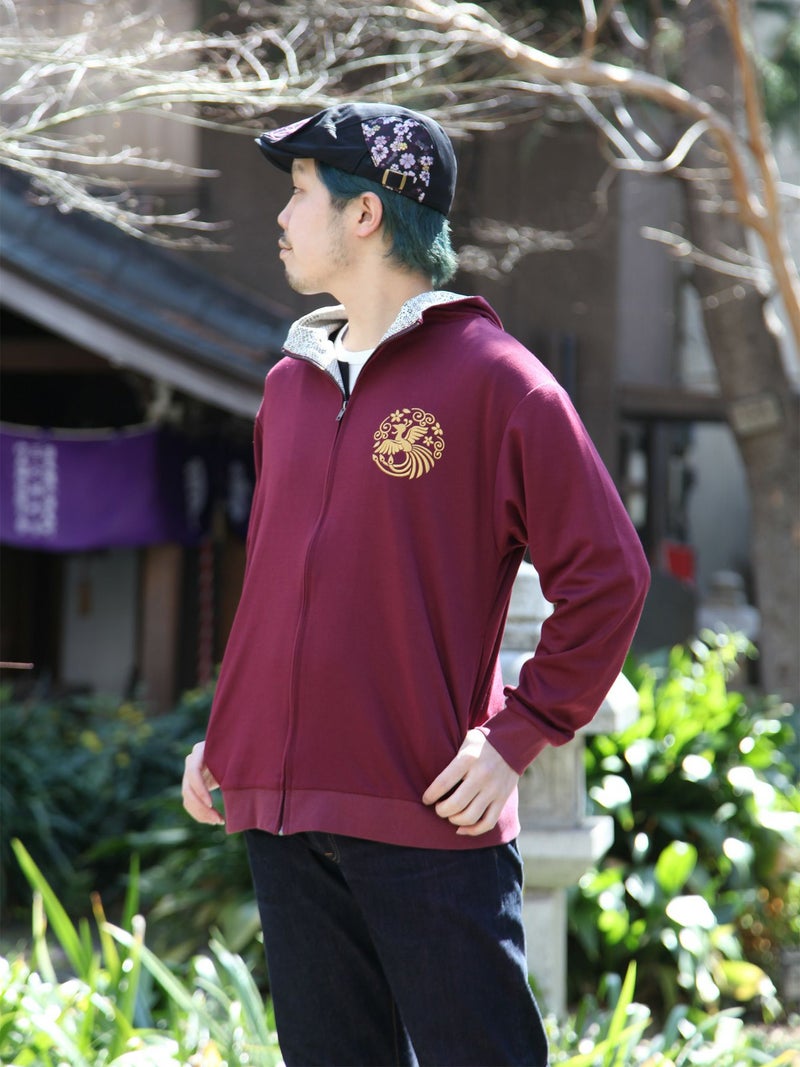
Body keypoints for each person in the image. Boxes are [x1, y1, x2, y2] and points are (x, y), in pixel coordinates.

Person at [182, 102, 650, 1067]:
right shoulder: (287, 388)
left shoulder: (501, 382)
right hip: (284, 818)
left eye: (300, 192)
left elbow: (609, 576)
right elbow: (274, 583)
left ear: (365, 214)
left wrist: (519, 733)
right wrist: (231, 735)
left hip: (431, 813)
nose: (282, 216)